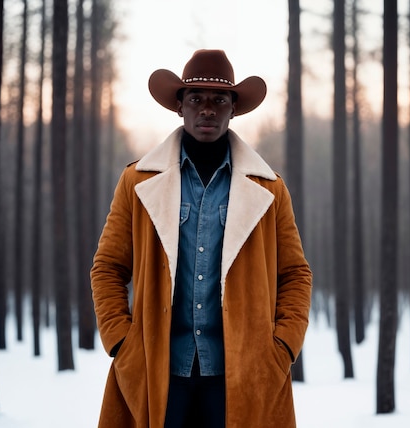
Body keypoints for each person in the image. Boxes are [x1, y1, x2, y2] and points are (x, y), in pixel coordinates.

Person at [91, 49, 312, 428]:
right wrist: (120, 342)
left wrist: (283, 347)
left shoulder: (270, 189)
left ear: (233, 108)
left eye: (218, 99)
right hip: (157, 369)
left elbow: (295, 274)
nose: (207, 109)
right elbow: (108, 267)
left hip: (243, 373)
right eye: (195, 99)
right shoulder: (138, 182)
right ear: (180, 107)